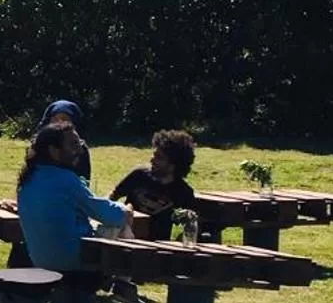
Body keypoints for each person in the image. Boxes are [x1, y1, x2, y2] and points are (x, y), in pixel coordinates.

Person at [15, 122, 129, 275]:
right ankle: (122, 282)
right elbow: (109, 214)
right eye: (73, 145)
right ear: (54, 151)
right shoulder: (66, 180)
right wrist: (126, 211)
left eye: (80, 144)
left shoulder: (28, 178)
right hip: (72, 262)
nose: (80, 151)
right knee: (122, 220)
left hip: (40, 260)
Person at [109, 129, 199, 234]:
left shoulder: (183, 192)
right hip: (126, 238)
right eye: (154, 155)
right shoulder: (139, 175)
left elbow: (192, 222)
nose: (152, 160)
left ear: (173, 165)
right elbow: (113, 195)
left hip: (156, 247)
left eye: (159, 158)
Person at [37, 99, 92, 181]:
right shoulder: (38, 147)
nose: (59, 123)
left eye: (65, 119)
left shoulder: (80, 149)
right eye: (55, 119)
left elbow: (84, 180)